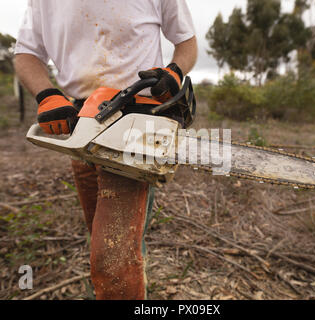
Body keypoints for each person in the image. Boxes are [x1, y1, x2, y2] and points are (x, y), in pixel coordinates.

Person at [14, 0, 197, 300]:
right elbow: (26, 53)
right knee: (100, 231)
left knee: (113, 259)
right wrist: (47, 95)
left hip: (135, 123)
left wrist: (173, 71)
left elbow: (186, 41)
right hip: (79, 119)